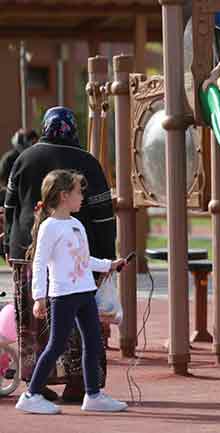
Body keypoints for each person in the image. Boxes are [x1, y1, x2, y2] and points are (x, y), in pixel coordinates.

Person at [4, 107, 116, 402]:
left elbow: (11, 207)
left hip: (24, 251)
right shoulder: (86, 162)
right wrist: (106, 257)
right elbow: (104, 215)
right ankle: (80, 383)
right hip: (73, 257)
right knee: (79, 324)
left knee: (32, 320)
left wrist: (7, 246)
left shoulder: (23, 158)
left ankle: (38, 382)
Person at [14, 170, 127, 414]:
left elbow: (84, 260)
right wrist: (39, 297)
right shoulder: (49, 227)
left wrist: (110, 264)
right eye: (78, 192)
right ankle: (30, 395)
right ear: (64, 196)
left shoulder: (77, 225)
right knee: (55, 346)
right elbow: (39, 262)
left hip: (86, 293)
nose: (82, 197)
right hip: (63, 296)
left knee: (94, 344)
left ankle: (93, 395)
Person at [0, 129, 37, 255]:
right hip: (10, 195)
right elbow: (3, 181)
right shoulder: (9, 159)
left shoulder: (34, 157)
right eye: (29, 140)